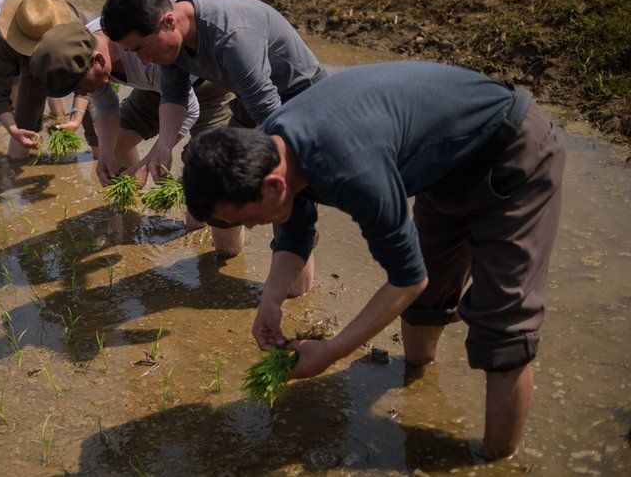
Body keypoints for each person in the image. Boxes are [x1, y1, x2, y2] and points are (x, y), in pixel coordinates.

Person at [181, 61, 565, 461]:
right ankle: (421, 379)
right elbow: (296, 229)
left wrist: (333, 350)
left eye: (247, 219)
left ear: (273, 186)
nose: (253, 228)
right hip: (445, 168)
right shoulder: (265, 150)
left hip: (511, 149)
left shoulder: (350, 168)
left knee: (502, 331)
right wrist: (271, 300)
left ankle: (493, 460)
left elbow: (407, 278)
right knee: (424, 305)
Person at [100, 0, 325, 264]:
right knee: (218, 193)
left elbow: (272, 117)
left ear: (169, 21)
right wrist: (164, 147)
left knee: (289, 212)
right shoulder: (172, 25)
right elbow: (174, 92)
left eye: (143, 49)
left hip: (298, 101)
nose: (144, 62)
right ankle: (228, 261)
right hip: (250, 100)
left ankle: (292, 295)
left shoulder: (231, 37)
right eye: (134, 53)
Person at [29, 20, 245, 255]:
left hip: (209, 87)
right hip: (156, 88)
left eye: (80, 88)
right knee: (118, 145)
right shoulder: (88, 47)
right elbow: (105, 101)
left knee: (210, 184)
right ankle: (132, 216)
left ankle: (220, 248)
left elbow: (188, 108)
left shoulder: (144, 52)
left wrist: (146, 163)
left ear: (99, 60)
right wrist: (106, 153)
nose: (80, 95)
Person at [0, 0, 97, 159]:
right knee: (19, 147)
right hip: (29, 68)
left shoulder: (74, 30)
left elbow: (89, 80)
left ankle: (101, 156)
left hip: (68, 56)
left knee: (98, 131)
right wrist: (13, 129)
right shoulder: (5, 39)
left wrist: (76, 116)